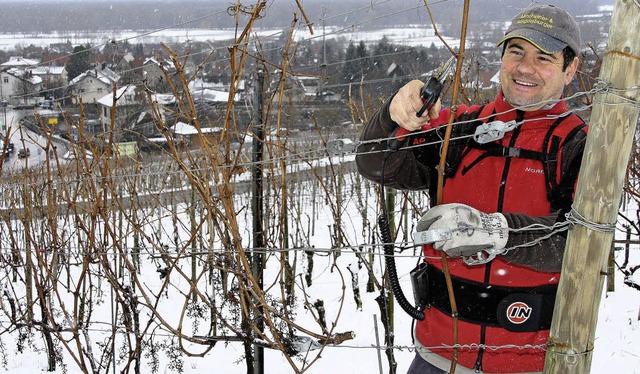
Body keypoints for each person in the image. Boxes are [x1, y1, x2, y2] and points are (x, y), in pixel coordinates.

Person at [356, 4, 586, 374]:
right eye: (516, 52)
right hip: (436, 354)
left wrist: (497, 232)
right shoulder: (458, 128)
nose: (525, 67)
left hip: (528, 361)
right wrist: (393, 115)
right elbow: (376, 164)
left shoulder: (577, 144)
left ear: (570, 69)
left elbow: (581, 246)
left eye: (544, 57)